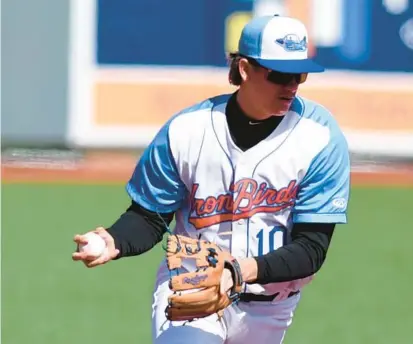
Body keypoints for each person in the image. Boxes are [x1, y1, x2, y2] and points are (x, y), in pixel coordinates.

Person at [72, 14, 351, 344]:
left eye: (300, 74)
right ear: (245, 69)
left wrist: (236, 272)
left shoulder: (319, 137)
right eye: (280, 74)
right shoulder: (187, 132)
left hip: (270, 309)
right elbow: (149, 216)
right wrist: (112, 241)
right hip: (192, 289)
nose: (292, 85)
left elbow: (311, 249)